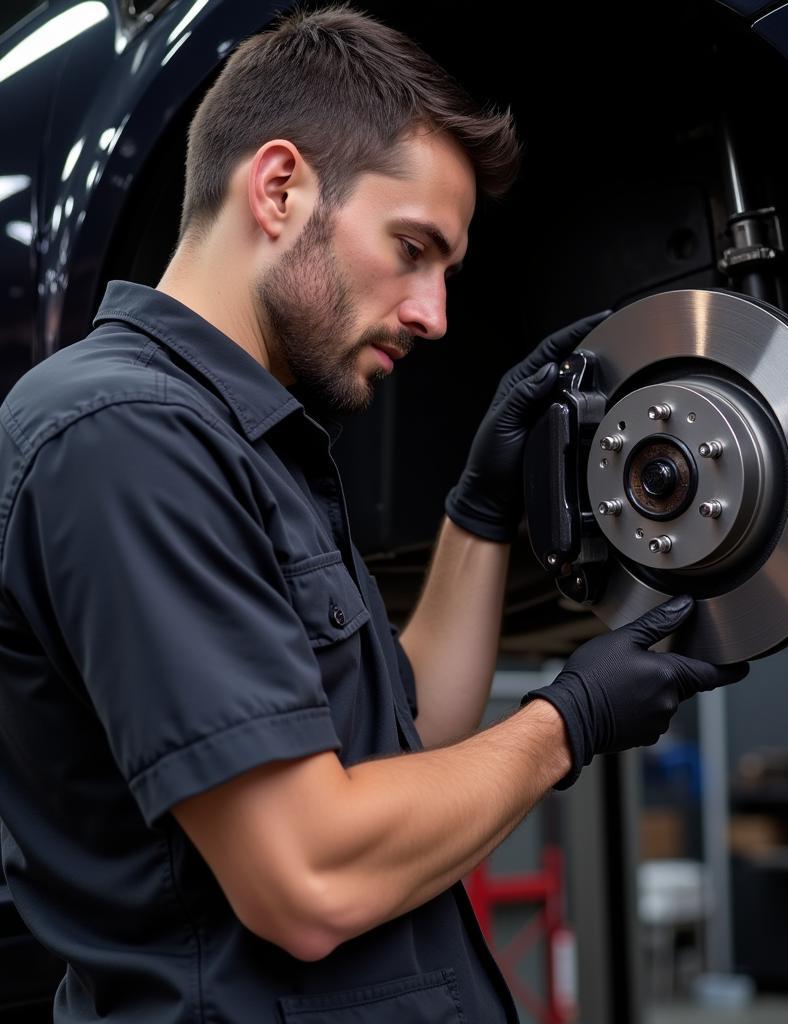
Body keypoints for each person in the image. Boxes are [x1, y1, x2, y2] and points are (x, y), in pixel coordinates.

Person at [0, 7, 747, 1021]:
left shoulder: (250, 436)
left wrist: (478, 517)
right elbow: (308, 878)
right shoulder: (125, 436)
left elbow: (407, 736)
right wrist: (562, 724)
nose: (436, 314)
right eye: (412, 247)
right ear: (277, 188)